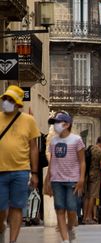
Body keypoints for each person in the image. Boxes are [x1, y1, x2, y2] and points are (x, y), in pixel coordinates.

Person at [0, 85, 40, 243]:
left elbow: (34, 148)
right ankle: (1, 228)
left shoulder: (29, 121)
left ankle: (12, 241)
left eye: (10, 100)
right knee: (1, 209)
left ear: (17, 103)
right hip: (0, 170)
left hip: (21, 171)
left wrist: (35, 173)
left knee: (17, 207)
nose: (6, 102)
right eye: (5, 99)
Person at [45, 111, 85, 243]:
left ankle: (69, 227)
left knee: (72, 209)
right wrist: (48, 181)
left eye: (58, 122)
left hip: (72, 180)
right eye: (54, 123)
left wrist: (81, 179)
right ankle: (65, 240)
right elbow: (52, 162)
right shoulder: (53, 141)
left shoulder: (77, 140)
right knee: (59, 209)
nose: (55, 125)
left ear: (67, 124)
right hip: (57, 180)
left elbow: (82, 161)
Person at [83, 137, 101, 224]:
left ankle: (84, 217)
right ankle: (89, 217)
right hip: (95, 175)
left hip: (87, 174)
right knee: (93, 195)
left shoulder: (90, 148)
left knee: (86, 196)